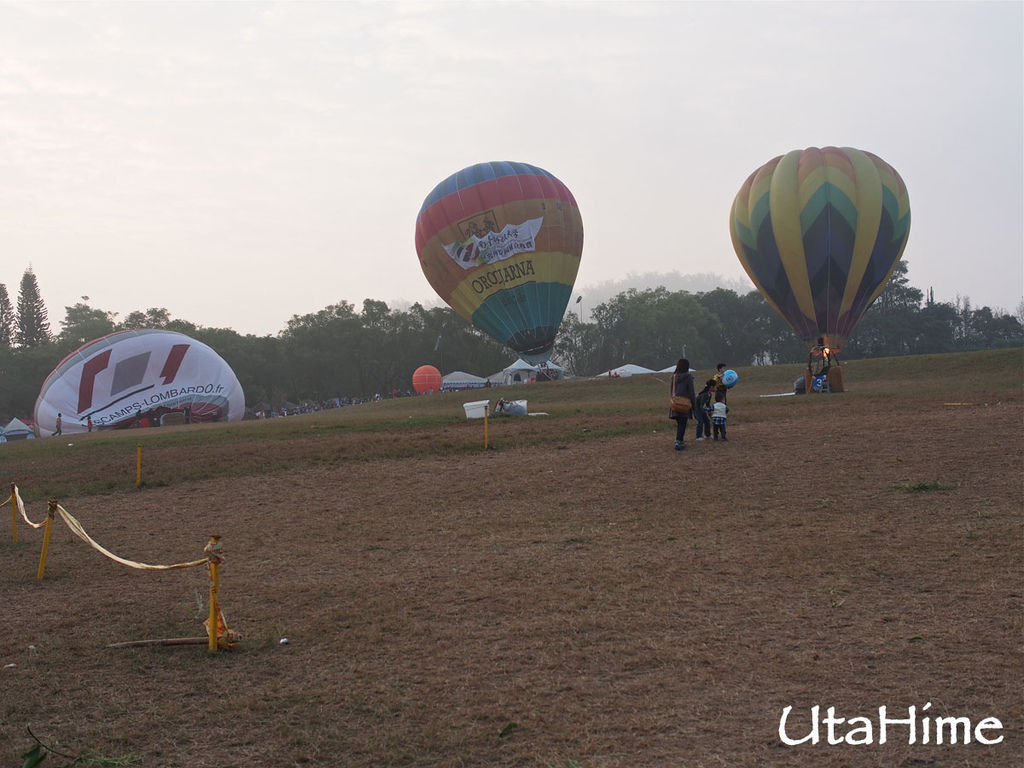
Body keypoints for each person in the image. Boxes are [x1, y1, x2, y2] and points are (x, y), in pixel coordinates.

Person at [669, 358, 695, 451]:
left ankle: (680, 440)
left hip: (675, 403)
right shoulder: (688, 377)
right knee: (682, 423)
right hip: (685, 403)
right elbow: (691, 392)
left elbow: (671, 391)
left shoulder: (674, 377)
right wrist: (694, 405)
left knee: (680, 423)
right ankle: (678, 441)